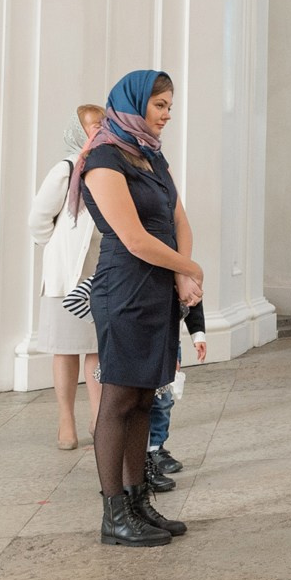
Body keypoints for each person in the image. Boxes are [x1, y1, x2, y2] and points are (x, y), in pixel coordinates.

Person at [73, 71, 201, 547]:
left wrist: (182, 274)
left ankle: (138, 501)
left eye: (170, 106)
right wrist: (191, 268)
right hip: (125, 288)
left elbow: (178, 219)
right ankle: (114, 515)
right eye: (160, 105)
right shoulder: (103, 158)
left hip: (158, 286)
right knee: (119, 399)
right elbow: (133, 238)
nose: (167, 115)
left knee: (146, 396)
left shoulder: (151, 154)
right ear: (134, 103)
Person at [30, 103, 105, 450]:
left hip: (101, 271)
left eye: (104, 124)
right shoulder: (66, 169)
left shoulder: (109, 167)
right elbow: (38, 219)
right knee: (65, 349)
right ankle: (66, 420)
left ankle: (99, 418)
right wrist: (59, 248)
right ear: (78, 131)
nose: (100, 131)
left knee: (97, 349)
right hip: (66, 275)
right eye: (93, 126)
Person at [141, 305, 208, 492]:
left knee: (163, 401)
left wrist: (198, 335)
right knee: (138, 403)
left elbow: (193, 302)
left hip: (169, 342)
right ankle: (138, 454)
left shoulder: (181, 286)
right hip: (141, 342)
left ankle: (156, 447)